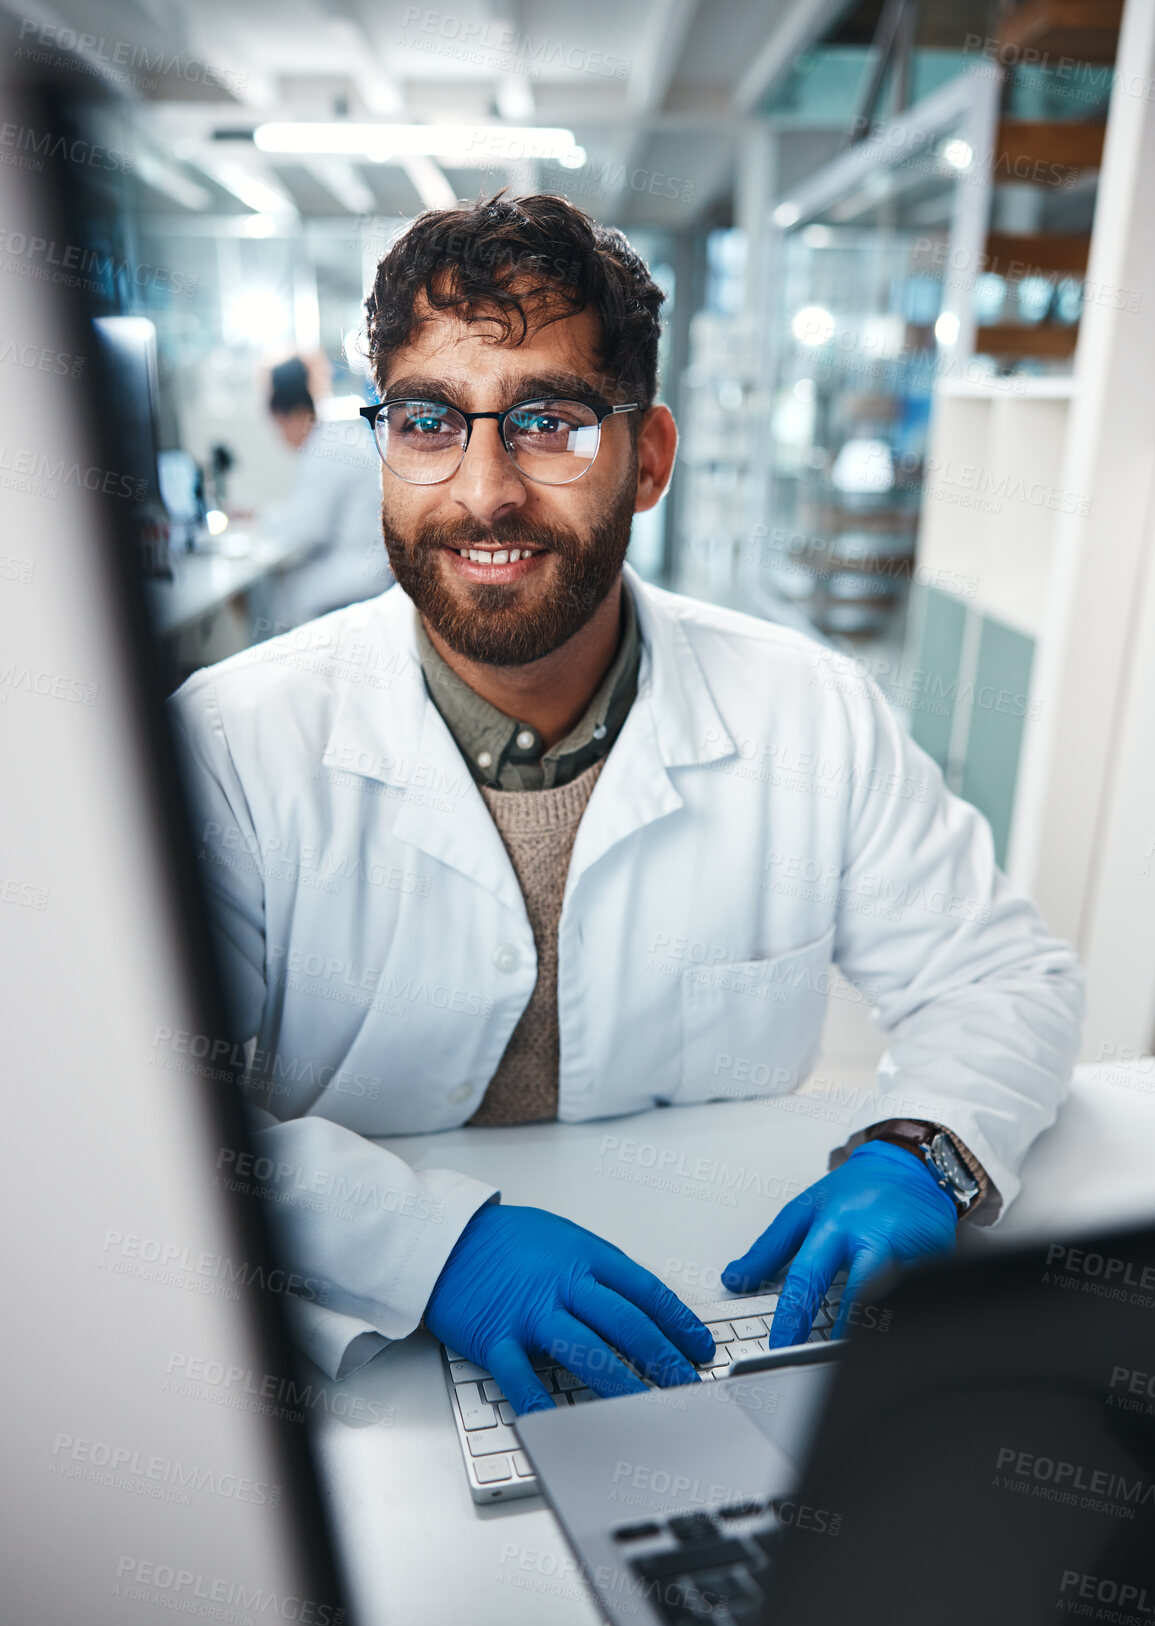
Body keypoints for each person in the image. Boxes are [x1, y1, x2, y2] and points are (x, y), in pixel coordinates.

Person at [170, 194, 1084, 1415]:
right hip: (370, 1367)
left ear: (645, 457)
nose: (484, 490)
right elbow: (138, 1110)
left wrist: (923, 1152)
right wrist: (427, 1249)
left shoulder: (810, 713)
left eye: (549, 421)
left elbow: (1003, 979)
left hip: (723, 1329)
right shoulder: (231, 744)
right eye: (432, 421)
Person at [251, 355, 392, 635]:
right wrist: (263, 516)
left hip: (354, 577)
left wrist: (261, 521)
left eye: (279, 429)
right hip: (370, 568)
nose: (282, 439)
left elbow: (308, 531)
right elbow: (308, 513)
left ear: (288, 418)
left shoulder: (322, 452)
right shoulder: (334, 439)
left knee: (270, 594)